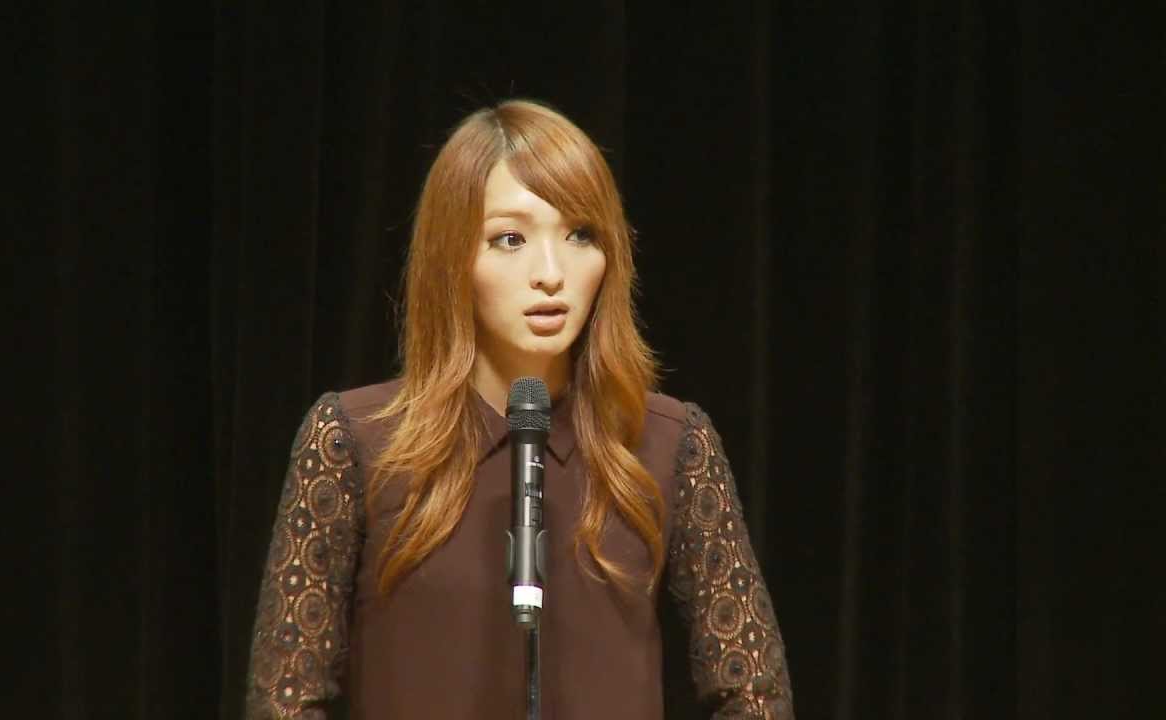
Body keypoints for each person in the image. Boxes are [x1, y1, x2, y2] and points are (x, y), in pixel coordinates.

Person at [243, 99, 794, 719]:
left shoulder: (670, 444)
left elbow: (756, 695)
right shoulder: (354, 440)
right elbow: (286, 699)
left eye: (580, 235)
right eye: (510, 239)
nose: (551, 273)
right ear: (453, 256)